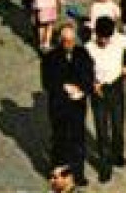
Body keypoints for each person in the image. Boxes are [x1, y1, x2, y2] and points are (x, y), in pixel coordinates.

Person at [40, 21, 94, 188]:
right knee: (59, 140)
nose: (69, 44)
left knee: (78, 140)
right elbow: (47, 83)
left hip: (77, 105)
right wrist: (64, 87)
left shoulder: (83, 54)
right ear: (60, 40)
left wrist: (82, 90)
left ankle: (78, 174)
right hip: (59, 107)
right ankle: (59, 173)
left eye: (72, 40)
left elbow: (89, 76)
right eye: (66, 40)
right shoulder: (50, 58)